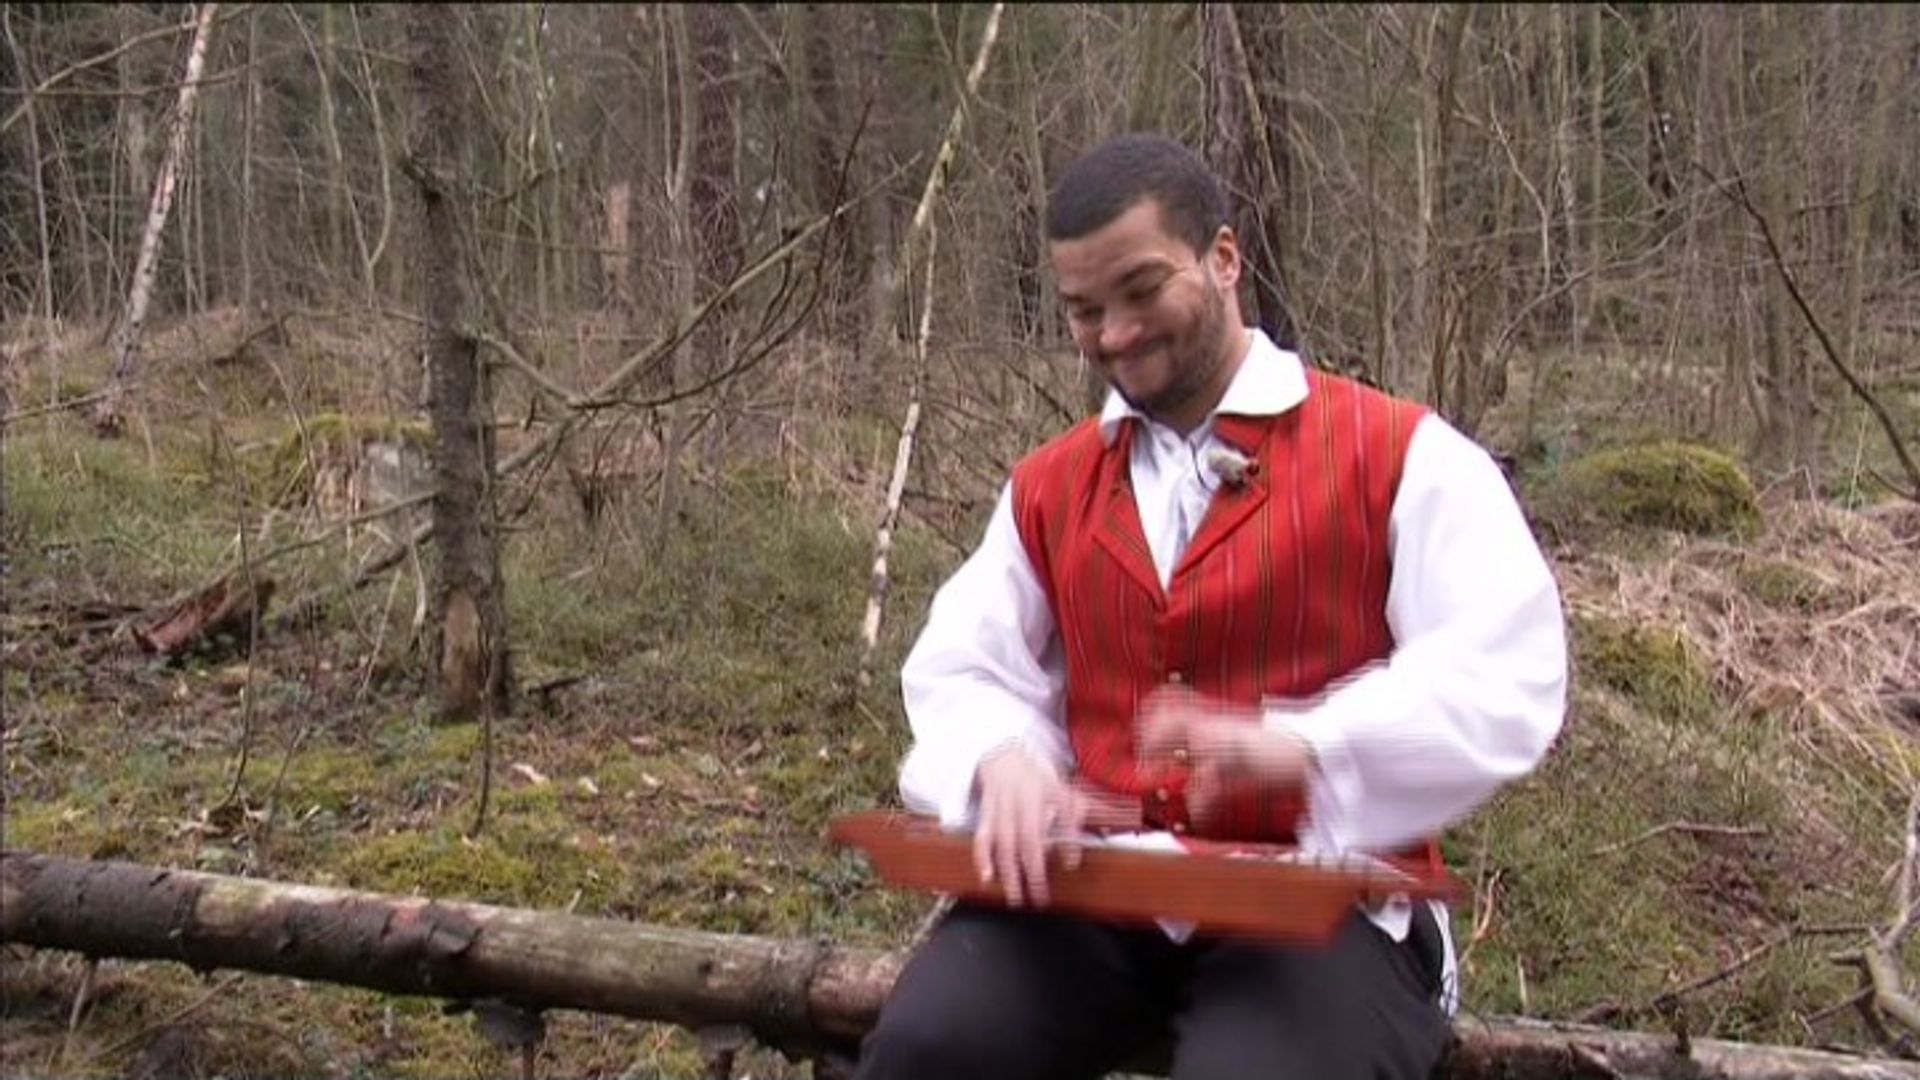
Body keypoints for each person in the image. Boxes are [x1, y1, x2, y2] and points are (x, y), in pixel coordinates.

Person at [856, 133, 1567, 1080]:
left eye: (1143, 290)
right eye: (1084, 311)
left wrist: (1305, 746)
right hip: (1094, 894)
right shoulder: (1049, 488)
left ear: (1223, 259)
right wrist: (1002, 757)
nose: (1115, 335)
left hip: (1325, 909)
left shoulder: (1402, 455)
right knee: (929, 1049)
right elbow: (966, 664)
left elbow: (1508, 671)